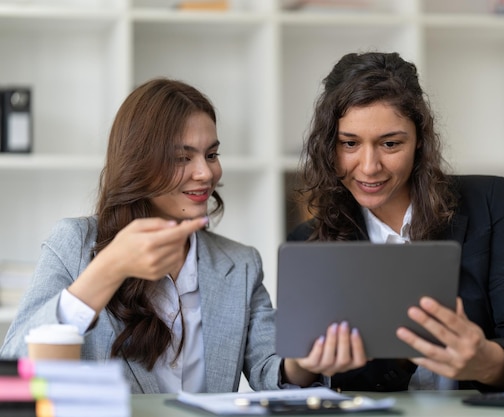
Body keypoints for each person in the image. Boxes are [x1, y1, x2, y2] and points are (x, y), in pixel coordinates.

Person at [0, 78, 326, 393]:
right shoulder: (75, 242)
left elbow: (270, 368)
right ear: (138, 163)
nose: (205, 173)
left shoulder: (240, 263)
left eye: (211, 155)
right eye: (182, 158)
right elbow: (15, 363)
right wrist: (108, 269)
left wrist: (305, 361)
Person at [287, 51, 504, 393]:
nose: (369, 166)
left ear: (419, 140)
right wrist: (398, 356)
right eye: (349, 144)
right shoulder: (311, 242)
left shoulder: (488, 202)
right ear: (328, 146)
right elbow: (317, 380)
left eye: (390, 143)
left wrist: (486, 360)